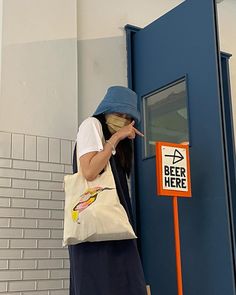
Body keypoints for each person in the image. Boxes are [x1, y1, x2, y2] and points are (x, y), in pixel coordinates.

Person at [68, 86, 147, 295]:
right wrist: (117, 137)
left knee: (123, 282)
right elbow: (89, 171)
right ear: (106, 110)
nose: (122, 119)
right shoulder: (91, 125)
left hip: (114, 223)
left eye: (127, 117)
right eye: (118, 113)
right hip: (96, 225)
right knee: (100, 282)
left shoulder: (118, 144)